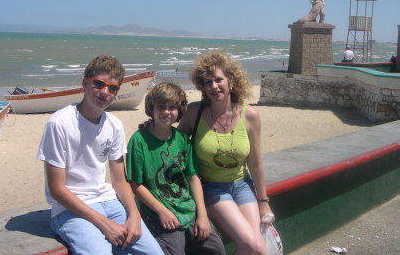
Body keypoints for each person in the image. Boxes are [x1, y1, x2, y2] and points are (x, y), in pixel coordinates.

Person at [37, 55, 164, 255]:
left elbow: (119, 180)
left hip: (109, 202)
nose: (105, 92)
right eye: (99, 84)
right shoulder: (59, 123)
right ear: (85, 84)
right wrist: (104, 224)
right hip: (71, 209)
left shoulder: (114, 126)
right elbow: (56, 190)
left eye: (112, 88)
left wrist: (133, 216)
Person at [176, 50, 274, 255]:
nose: (214, 86)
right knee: (250, 244)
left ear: (231, 80)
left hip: (242, 185)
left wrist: (264, 203)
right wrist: (152, 126)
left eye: (218, 80)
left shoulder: (250, 116)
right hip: (211, 188)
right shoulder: (195, 112)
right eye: (207, 82)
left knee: (260, 249)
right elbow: (173, 142)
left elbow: (255, 163)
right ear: (202, 87)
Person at [126, 82, 225, 255]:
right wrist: (161, 211)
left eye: (172, 107)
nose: (166, 112)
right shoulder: (139, 140)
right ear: (152, 108)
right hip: (160, 214)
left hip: (188, 209)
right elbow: (135, 184)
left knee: (216, 249)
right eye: (161, 107)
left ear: (179, 110)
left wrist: (202, 215)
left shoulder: (181, 139)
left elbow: (193, 178)